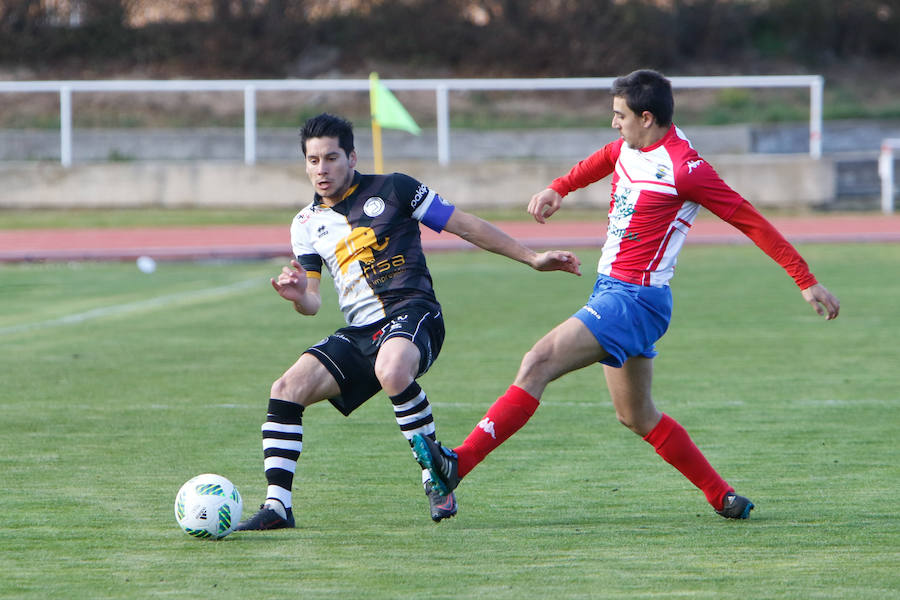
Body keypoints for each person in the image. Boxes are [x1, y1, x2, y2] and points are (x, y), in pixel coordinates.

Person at [412, 69, 840, 520]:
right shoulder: (631, 147)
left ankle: (457, 464)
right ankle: (721, 495)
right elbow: (605, 157)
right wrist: (560, 187)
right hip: (616, 292)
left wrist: (805, 278)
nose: (614, 123)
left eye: (620, 115)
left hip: (634, 300)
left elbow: (750, 220)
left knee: (536, 362)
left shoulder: (685, 169)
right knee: (636, 415)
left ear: (647, 117)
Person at [235, 113, 582, 530]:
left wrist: (532, 258)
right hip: (361, 331)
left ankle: (437, 478)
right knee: (285, 389)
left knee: (392, 367)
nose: (321, 169)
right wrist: (296, 296)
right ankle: (277, 507)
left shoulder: (396, 188)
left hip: (414, 313)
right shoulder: (305, 224)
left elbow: (465, 226)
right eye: (312, 161)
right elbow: (312, 303)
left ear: (352, 157)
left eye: (331, 158)